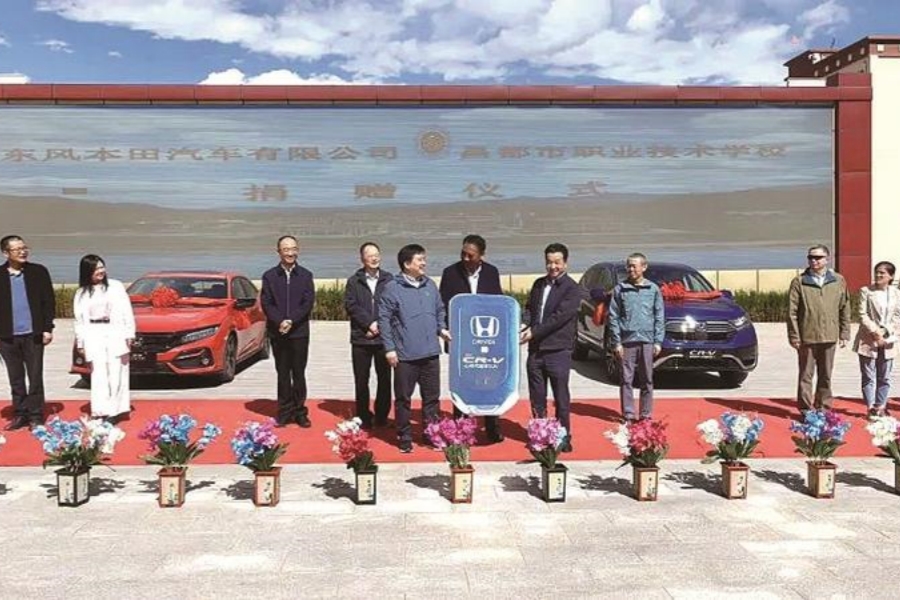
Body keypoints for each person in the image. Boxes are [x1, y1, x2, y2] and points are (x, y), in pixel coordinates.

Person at [378, 243, 450, 453]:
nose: (424, 263)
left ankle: (432, 434)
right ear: (407, 264)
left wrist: (441, 329)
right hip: (405, 355)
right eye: (420, 260)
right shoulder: (392, 288)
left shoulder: (430, 285)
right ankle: (405, 437)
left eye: (424, 259)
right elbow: (384, 320)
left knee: (432, 399)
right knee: (403, 399)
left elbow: (440, 309)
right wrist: (389, 349)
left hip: (431, 353)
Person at [439, 234, 505, 443]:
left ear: (481, 255)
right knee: (462, 383)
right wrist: (444, 330)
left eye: (471, 255)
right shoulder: (450, 273)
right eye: (463, 254)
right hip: (461, 340)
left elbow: (498, 304)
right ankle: (461, 428)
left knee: (489, 382)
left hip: (487, 339)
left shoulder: (491, 272)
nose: (466, 259)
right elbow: (443, 305)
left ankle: (492, 427)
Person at [520, 242, 580, 452]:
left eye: (557, 262)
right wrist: (524, 324)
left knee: (561, 397)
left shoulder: (572, 288)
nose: (553, 266)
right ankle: (541, 435)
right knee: (537, 397)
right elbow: (530, 309)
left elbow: (558, 318)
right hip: (536, 351)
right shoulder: (538, 284)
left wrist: (534, 332)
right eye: (549, 262)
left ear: (565, 263)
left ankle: (563, 437)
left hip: (558, 351)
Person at [787, 244, 851, 413]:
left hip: (830, 335)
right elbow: (792, 312)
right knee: (805, 375)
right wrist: (794, 336)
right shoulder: (799, 282)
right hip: (807, 336)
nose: (813, 260)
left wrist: (845, 332)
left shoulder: (838, 280)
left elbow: (844, 307)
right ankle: (806, 410)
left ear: (827, 259)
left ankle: (823, 408)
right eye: (811, 257)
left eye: (818, 257)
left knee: (826, 375)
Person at [0, 235, 55, 430]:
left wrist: (47, 328)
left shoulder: (38, 272)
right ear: (6, 253)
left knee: (35, 375)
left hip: (34, 334)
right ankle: (20, 413)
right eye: (17, 249)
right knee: (15, 377)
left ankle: (36, 415)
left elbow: (48, 301)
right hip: (6, 336)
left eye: (24, 248)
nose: (23, 252)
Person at [261, 235, 316, 428]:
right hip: (278, 332)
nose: (290, 253)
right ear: (278, 252)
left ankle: (300, 412)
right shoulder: (269, 276)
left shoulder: (306, 275)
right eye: (286, 249)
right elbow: (266, 302)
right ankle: (284, 411)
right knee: (283, 373)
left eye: (293, 249)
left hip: (299, 332)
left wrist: (291, 320)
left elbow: (308, 303)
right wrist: (279, 321)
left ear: (298, 250)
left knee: (299, 373)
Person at [73, 255, 135, 423]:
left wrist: (129, 334)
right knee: (98, 373)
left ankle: (115, 410)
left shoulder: (116, 286)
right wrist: (80, 342)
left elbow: (126, 311)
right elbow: (79, 320)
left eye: (102, 267)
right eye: (96, 269)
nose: (100, 271)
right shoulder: (81, 293)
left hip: (115, 332)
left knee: (117, 371)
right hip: (93, 333)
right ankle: (100, 409)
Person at [607, 253, 665, 422]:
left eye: (634, 266)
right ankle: (628, 414)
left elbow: (659, 316)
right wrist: (617, 342)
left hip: (647, 341)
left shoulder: (653, 289)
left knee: (647, 379)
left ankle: (646, 414)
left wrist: (658, 341)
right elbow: (613, 317)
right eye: (629, 266)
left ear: (644, 267)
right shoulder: (620, 289)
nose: (631, 269)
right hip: (627, 341)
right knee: (626, 379)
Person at [344, 242, 393, 429]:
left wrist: (379, 324)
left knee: (385, 380)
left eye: (376, 255)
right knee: (361, 380)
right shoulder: (354, 281)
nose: (374, 258)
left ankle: (382, 416)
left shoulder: (389, 279)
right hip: (361, 338)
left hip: (383, 339)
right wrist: (368, 323)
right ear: (362, 259)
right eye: (370, 255)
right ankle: (363, 416)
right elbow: (351, 306)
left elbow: (392, 304)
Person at [852, 261, 900, 419]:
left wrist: (886, 332)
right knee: (868, 375)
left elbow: (897, 316)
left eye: (882, 273)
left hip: (888, 340)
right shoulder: (866, 291)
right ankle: (871, 407)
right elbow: (862, 314)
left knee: (884, 376)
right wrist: (875, 332)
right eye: (877, 272)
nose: (878, 275)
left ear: (891, 276)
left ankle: (881, 406)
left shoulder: (896, 293)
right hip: (868, 339)